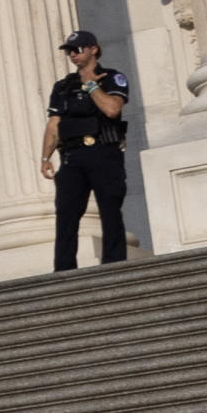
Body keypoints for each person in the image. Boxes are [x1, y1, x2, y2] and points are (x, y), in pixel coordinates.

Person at [46, 28, 135, 268]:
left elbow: (112, 110)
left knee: (110, 207)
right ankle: (63, 268)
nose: (73, 55)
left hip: (103, 152)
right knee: (66, 213)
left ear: (93, 49)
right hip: (72, 156)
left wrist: (92, 87)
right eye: (69, 51)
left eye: (77, 49)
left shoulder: (111, 78)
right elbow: (54, 124)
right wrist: (45, 157)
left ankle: (114, 263)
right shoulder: (63, 87)